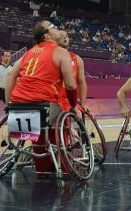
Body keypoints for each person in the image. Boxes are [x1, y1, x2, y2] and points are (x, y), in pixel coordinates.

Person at [5, 21, 78, 174]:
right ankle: (64, 166)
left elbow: (11, 74)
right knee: (57, 125)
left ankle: (42, 168)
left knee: (37, 136)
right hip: (44, 103)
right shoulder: (61, 52)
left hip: (19, 103)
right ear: (47, 35)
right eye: (53, 26)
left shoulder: (29, 52)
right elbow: (71, 86)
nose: (57, 27)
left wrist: (9, 104)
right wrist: (72, 106)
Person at [54, 30, 89, 113]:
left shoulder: (77, 59)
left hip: (69, 102)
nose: (65, 37)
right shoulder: (50, 56)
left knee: (78, 117)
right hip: (53, 101)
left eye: (66, 35)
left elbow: (82, 82)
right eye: (61, 35)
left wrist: (83, 103)